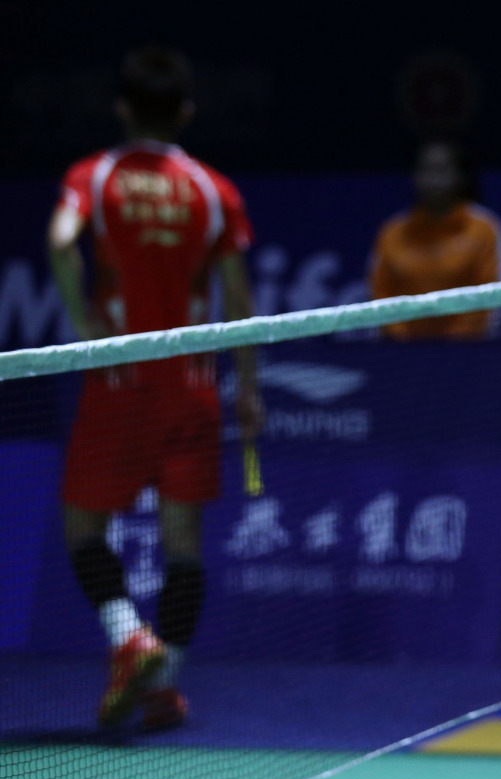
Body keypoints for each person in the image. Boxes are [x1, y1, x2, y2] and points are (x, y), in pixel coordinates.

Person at [47, 46, 262, 730]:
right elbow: (238, 299)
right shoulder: (213, 189)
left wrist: (85, 328)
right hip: (192, 385)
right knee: (184, 544)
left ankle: (126, 636)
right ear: (185, 112)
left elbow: (59, 241)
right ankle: (165, 682)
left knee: (82, 525)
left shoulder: (94, 175)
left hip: (118, 382)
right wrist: (249, 387)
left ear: (122, 108)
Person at [368, 138, 501, 340]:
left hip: (469, 352)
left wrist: (452, 347)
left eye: (442, 169)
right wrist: (402, 342)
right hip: (402, 353)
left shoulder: (485, 229)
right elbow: (380, 297)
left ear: (460, 176)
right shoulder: (392, 232)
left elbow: (491, 299)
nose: (434, 179)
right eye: (426, 169)